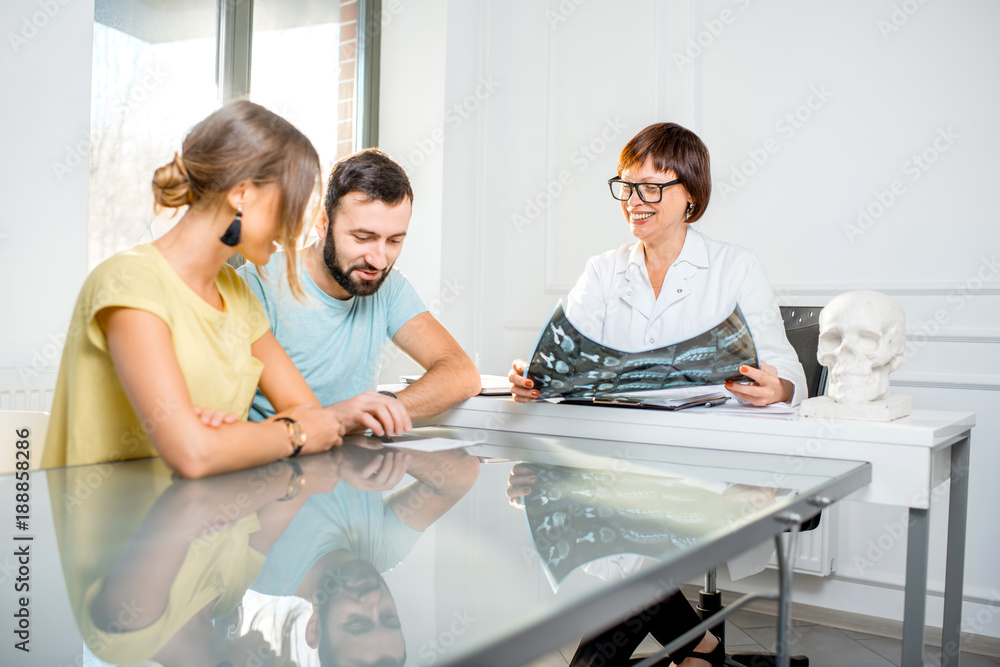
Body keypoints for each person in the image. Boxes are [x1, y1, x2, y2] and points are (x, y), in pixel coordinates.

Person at [508, 122, 808, 666]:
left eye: (651, 187)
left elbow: (785, 367)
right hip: (621, 454)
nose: (634, 201)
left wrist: (777, 385)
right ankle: (701, 645)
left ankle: (667, 651)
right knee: (629, 532)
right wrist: (541, 379)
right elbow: (569, 354)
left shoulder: (733, 266)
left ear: (689, 192)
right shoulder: (603, 271)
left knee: (639, 543)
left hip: (707, 457)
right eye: (626, 186)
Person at [43, 101, 347, 478]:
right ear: (242, 194)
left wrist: (230, 438)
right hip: (121, 533)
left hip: (213, 526)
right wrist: (291, 434)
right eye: (292, 202)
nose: (295, 225)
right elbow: (193, 454)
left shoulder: (235, 293)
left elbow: (311, 412)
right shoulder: (129, 281)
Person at [238, 148, 481, 433]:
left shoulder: (388, 286)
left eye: (394, 241)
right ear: (322, 223)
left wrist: (378, 410)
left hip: (350, 463)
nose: (379, 260)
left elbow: (462, 374)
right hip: (273, 467)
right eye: (363, 238)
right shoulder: (256, 286)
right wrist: (347, 418)